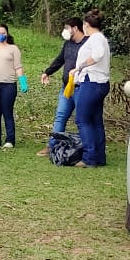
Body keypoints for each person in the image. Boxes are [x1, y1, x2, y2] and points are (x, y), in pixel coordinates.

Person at [38, 17, 86, 156]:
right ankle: (52, 146)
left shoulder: (87, 45)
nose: (65, 31)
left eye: (67, 28)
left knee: (82, 120)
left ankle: (85, 148)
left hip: (81, 88)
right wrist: (47, 72)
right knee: (60, 116)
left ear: (75, 28)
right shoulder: (68, 44)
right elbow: (60, 60)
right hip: (66, 88)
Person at [71, 9, 111, 168]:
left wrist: (80, 66)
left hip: (92, 81)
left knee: (82, 119)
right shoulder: (101, 38)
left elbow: (97, 55)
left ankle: (89, 157)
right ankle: (99, 156)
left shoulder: (95, 38)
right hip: (100, 83)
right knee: (95, 120)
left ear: (86, 25)